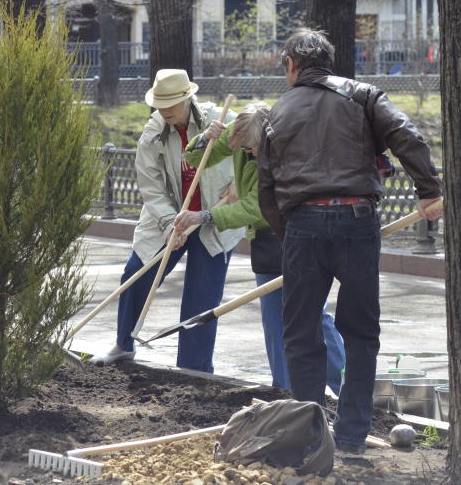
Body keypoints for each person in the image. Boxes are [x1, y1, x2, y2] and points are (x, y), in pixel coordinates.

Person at [257, 29, 443, 454]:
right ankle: (352, 436)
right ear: (328, 62)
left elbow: (266, 191)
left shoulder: (276, 112)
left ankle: (311, 437)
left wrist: (292, 236)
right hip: (358, 221)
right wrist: (428, 190)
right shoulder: (363, 96)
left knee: (301, 334)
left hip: (302, 226)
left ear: (291, 65)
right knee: (360, 334)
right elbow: (407, 136)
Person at [174, 102, 345, 395]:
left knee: (313, 315)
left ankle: (345, 384)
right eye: (243, 148)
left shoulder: (285, 152)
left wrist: (206, 216)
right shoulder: (243, 132)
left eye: (253, 148)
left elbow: (258, 208)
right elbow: (196, 158)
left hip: (301, 235)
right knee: (274, 318)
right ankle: (285, 391)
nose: (248, 153)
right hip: (267, 243)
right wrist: (205, 138)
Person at [91, 69, 242, 373]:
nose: (164, 111)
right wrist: (172, 223)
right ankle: (124, 344)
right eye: (160, 104)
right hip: (170, 216)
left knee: (201, 298)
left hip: (214, 216)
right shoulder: (154, 132)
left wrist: (242, 182)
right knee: (136, 274)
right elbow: (150, 187)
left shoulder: (222, 119)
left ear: (188, 98)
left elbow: (256, 152)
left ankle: (194, 369)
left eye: (171, 104)